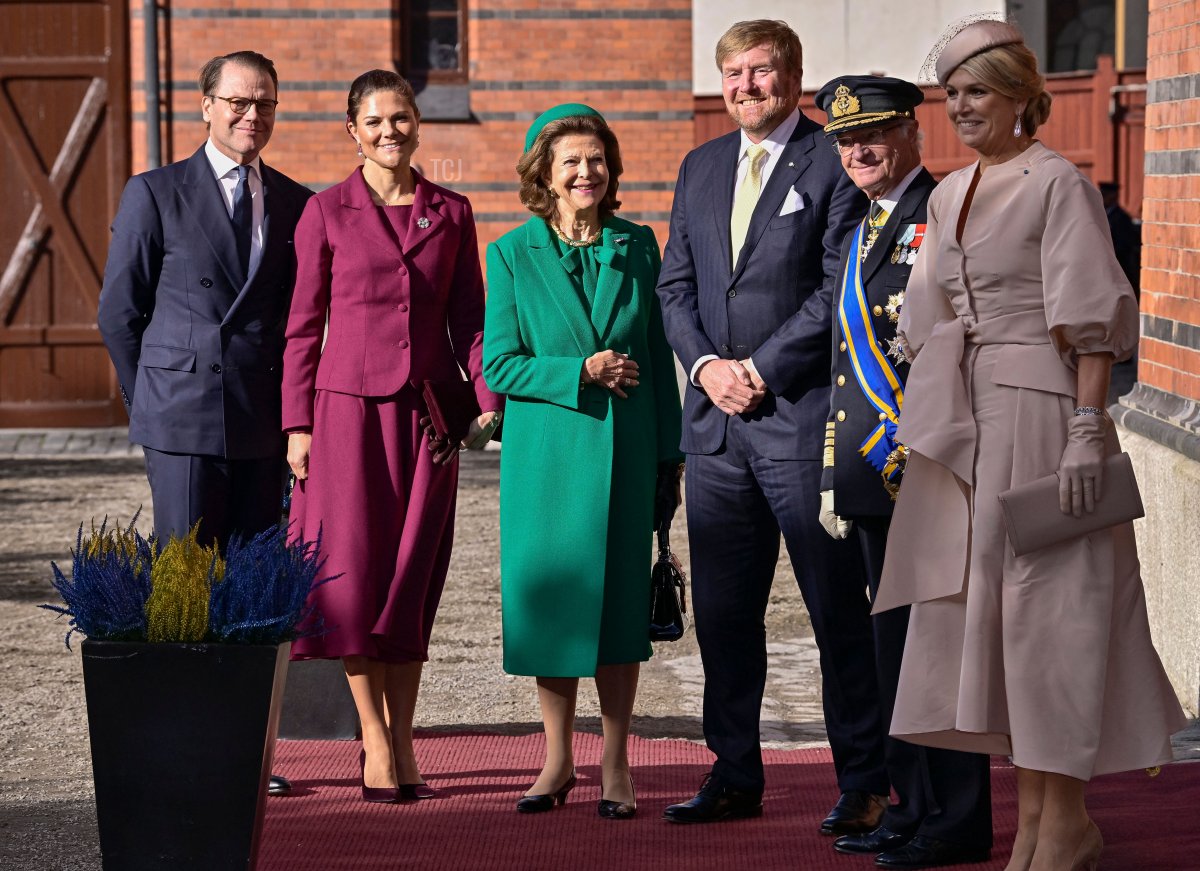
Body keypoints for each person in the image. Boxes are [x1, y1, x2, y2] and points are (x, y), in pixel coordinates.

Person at [876, 19, 1187, 871]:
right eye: (953, 93)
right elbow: (926, 318)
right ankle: (1035, 828)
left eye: (977, 90)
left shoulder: (1059, 184)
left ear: (1021, 95)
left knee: (1055, 620)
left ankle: (1068, 825)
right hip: (970, 423)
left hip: (1049, 418)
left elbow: (1092, 324)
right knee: (994, 626)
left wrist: (1090, 431)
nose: (962, 107)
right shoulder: (949, 194)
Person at [656, 20, 888, 831]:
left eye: (761, 71)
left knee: (834, 607)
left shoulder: (833, 159)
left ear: (792, 76)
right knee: (724, 612)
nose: (746, 85)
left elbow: (837, 287)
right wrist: (707, 369)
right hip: (715, 431)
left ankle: (864, 775)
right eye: (733, 72)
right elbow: (673, 287)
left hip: (799, 422)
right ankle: (733, 770)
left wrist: (760, 370)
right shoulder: (701, 164)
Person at [281, 69, 501, 804]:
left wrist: (484, 401)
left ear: (417, 124)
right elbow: (303, 327)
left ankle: (404, 734)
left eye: (401, 118)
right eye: (374, 121)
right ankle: (373, 739)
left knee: (411, 574)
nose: (389, 132)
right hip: (344, 416)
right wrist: (297, 424)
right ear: (352, 130)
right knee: (352, 576)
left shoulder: (453, 211)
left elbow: (470, 316)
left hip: (428, 418)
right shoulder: (325, 212)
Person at [97, 49, 313, 797]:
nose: (253, 116)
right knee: (186, 582)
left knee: (254, 589)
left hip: (262, 421)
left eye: (267, 105)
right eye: (239, 102)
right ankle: (184, 749)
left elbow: (298, 319)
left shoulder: (294, 200)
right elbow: (119, 314)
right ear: (206, 105)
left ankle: (250, 751)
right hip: (184, 421)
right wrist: (155, 401)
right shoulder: (155, 192)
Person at [482, 104, 683, 820]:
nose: (585, 171)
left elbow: (658, 359)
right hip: (546, 462)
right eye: (570, 160)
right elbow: (501, 363)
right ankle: (556, 757)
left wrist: (670, 454)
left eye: (596, 158)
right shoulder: (509, 253)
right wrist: (580, 370)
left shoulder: (638, 243)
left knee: (621, 611)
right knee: (555, 609)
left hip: (627, 455)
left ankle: (617, 759)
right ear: (544, 171)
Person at [814, 75, 992, 869]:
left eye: (875, 132)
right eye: (846, 139)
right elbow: (845, 360)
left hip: (927, 464)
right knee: (895, 651)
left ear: (913, 132)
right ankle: (913, 804)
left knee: (938, 648)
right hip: (870, 475)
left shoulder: (946, 212)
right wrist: (832, 468)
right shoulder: (860, 226)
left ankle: (957, 817)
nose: (859, 150)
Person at [1099, 181, 1141, 298]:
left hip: (1119, 268)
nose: (1102, 198)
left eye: (1104, 195)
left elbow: (1124, 246)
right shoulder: (1103, 215)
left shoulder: (1121, 218)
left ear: (1113, 196)